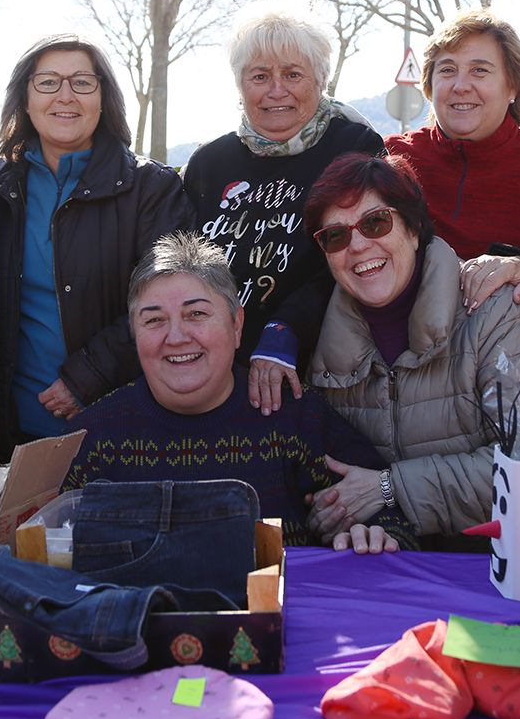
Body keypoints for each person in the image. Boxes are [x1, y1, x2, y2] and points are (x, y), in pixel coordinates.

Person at [66, 232, 416, 554]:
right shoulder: (92, 437)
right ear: (134, 334)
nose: (176, 337)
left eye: (197, 314)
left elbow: (390, 515)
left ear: (236, 326)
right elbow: (37, 546)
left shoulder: (294, 416)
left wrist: (372, 535)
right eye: (154, 320)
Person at [302, 153, 520, 549]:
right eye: (335, 236)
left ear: (412, 229)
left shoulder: (496, 316)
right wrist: (352, 521)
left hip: (500, 570)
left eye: (376, 223)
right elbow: (337, 492)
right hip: (391, 570)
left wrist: (392, 489)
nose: (357, 245)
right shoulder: (319, 349)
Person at [0, 35, 192, 456]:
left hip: (121, 424)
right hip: (9, 434)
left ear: (102, 98)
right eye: (47, 83)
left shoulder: (151, 188)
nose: (65, 96)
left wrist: (86, 377)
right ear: (24, 99)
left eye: (82, 82)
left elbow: (172, 303)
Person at [182, 0, 384, 415]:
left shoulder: (353, 148)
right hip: (219, 369)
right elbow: (186, 265)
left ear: (319, 80)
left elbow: (366, 256)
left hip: (324, 366)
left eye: (293, 74)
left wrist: (287, 327)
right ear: (240, 86)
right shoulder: (208, 163)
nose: (276, 91)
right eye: (260, 76)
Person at [385, 8, 520, 309]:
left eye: (480, 70)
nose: (461, 85)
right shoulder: (392, 159)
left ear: (512, 86)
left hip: (508, 349)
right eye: (447, 70)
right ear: (429, 85)